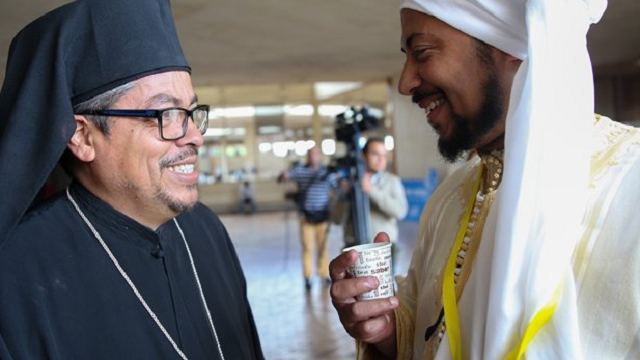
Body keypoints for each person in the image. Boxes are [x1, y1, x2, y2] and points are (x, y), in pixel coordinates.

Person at [329, 0, 640, 359]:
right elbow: (429, 333)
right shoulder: (449, 198)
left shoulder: (630, 184)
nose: (405, 82)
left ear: (508, 47)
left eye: (423, 52)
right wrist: (386, 331)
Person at [0, 1, 263, 359]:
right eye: (165, 114)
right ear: (83, 137)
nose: (194, 137)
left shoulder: (206, 228)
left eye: (190, 112)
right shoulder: (15, 273)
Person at [333, 137, 408, 267]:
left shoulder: (392, 181)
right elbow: (337, 219)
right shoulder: (349, 182)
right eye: (375, 154)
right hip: (354, 248)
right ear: (363, 156)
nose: (381, 160)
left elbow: (400, 211)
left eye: (384, 155)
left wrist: (371, 191)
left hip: (383, 248)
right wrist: (345, 196)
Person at [279, 146, 338, 291]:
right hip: (306, 217)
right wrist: (284, 175)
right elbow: (283, 178)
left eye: (316, 154)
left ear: (320, 156)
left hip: (323, 216)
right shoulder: (300, 171)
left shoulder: (326, 172)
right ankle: (307, 276)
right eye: (311, 154)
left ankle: (324, 275)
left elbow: (337, 188)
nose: (313, 156)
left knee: (323, 248)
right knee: (307, 248)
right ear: (307, 156)